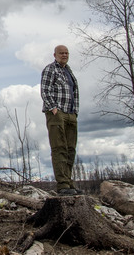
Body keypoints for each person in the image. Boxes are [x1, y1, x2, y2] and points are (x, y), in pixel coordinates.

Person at [40, 45, 81, 195]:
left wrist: (75, 111)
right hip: (57, 113)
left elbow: (74, 91)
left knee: (70, 149)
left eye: (66, 53)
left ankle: (69, 183)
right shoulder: (50, 69)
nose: (64, 55)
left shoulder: (68, 71)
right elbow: (45, 89)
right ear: (55, 55)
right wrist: (53, 108)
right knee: (59, 148)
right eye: (61, 53)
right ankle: (62, 185)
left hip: (71, 113)